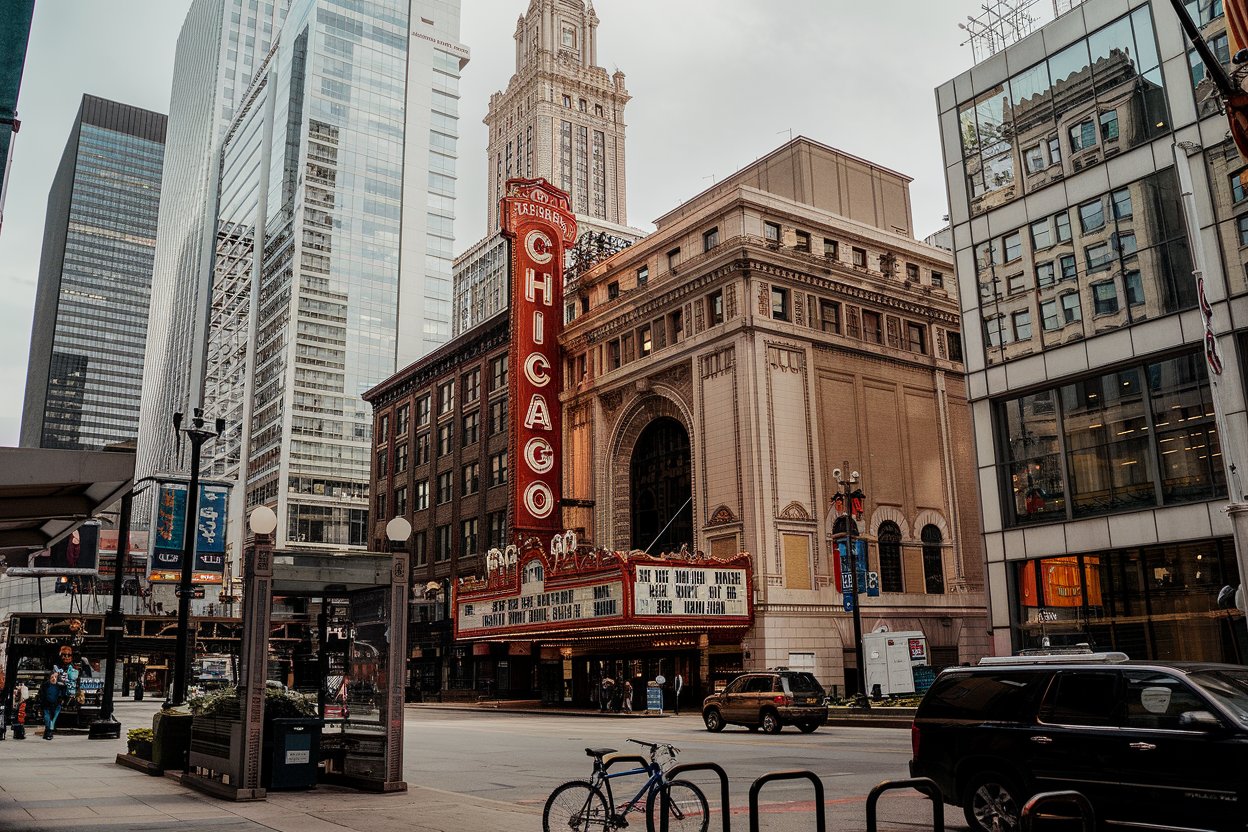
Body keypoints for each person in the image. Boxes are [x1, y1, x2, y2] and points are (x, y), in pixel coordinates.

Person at [38, 671, 65, 740]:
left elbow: (63, 694)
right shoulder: (45, 685)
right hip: (46, 704)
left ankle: (48, 731)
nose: (54, 678)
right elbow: (41, 695)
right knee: (47, 718)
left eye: (55, 677)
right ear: (49, 678)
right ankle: (49, 732)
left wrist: (61, 700)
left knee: (53, 719)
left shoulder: (60, 686)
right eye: (52, 677)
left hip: (56, 705)